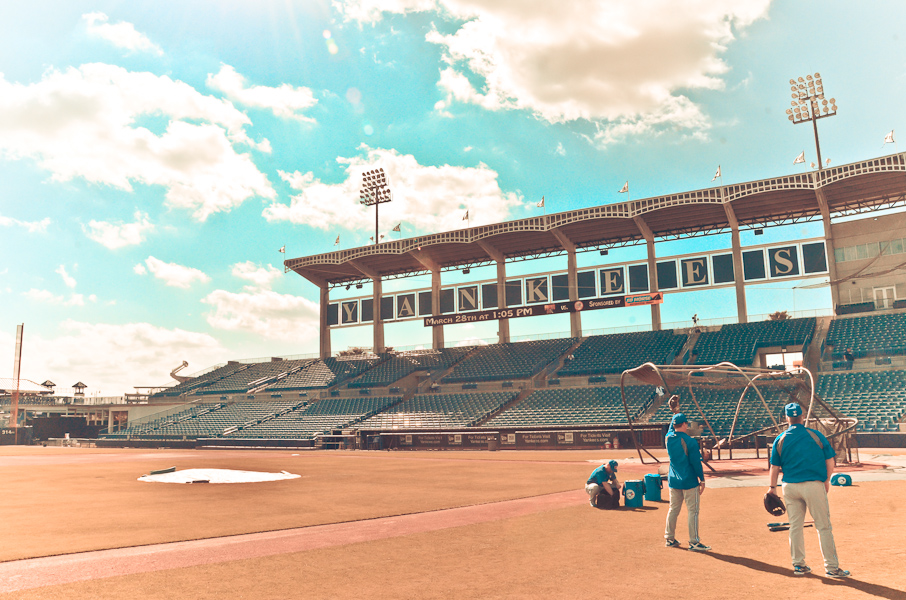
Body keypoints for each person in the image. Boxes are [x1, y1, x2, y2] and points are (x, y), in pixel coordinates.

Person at [768, 402, 850, 578]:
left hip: (789, 486)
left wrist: (772, 488)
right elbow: (830, 460)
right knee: (823, 526)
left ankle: (799, 565)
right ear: (802, 417)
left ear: (787, 418)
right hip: (813, 485)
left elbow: (774, 467)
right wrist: (826, 480)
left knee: (795, 527)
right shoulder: (815, 435)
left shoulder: (780, 438)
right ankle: (832, 568)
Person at [664, 413, 710, 551]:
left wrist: (674, 413)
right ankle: (694, 541)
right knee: (693, 511)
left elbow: (670, 430)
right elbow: (696, 463)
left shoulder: (668, 438)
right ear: (684, 424)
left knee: (673, 509)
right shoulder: (690, 441)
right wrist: (702, 479)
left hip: (674, 480)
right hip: (689, 480)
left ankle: (669, 538)